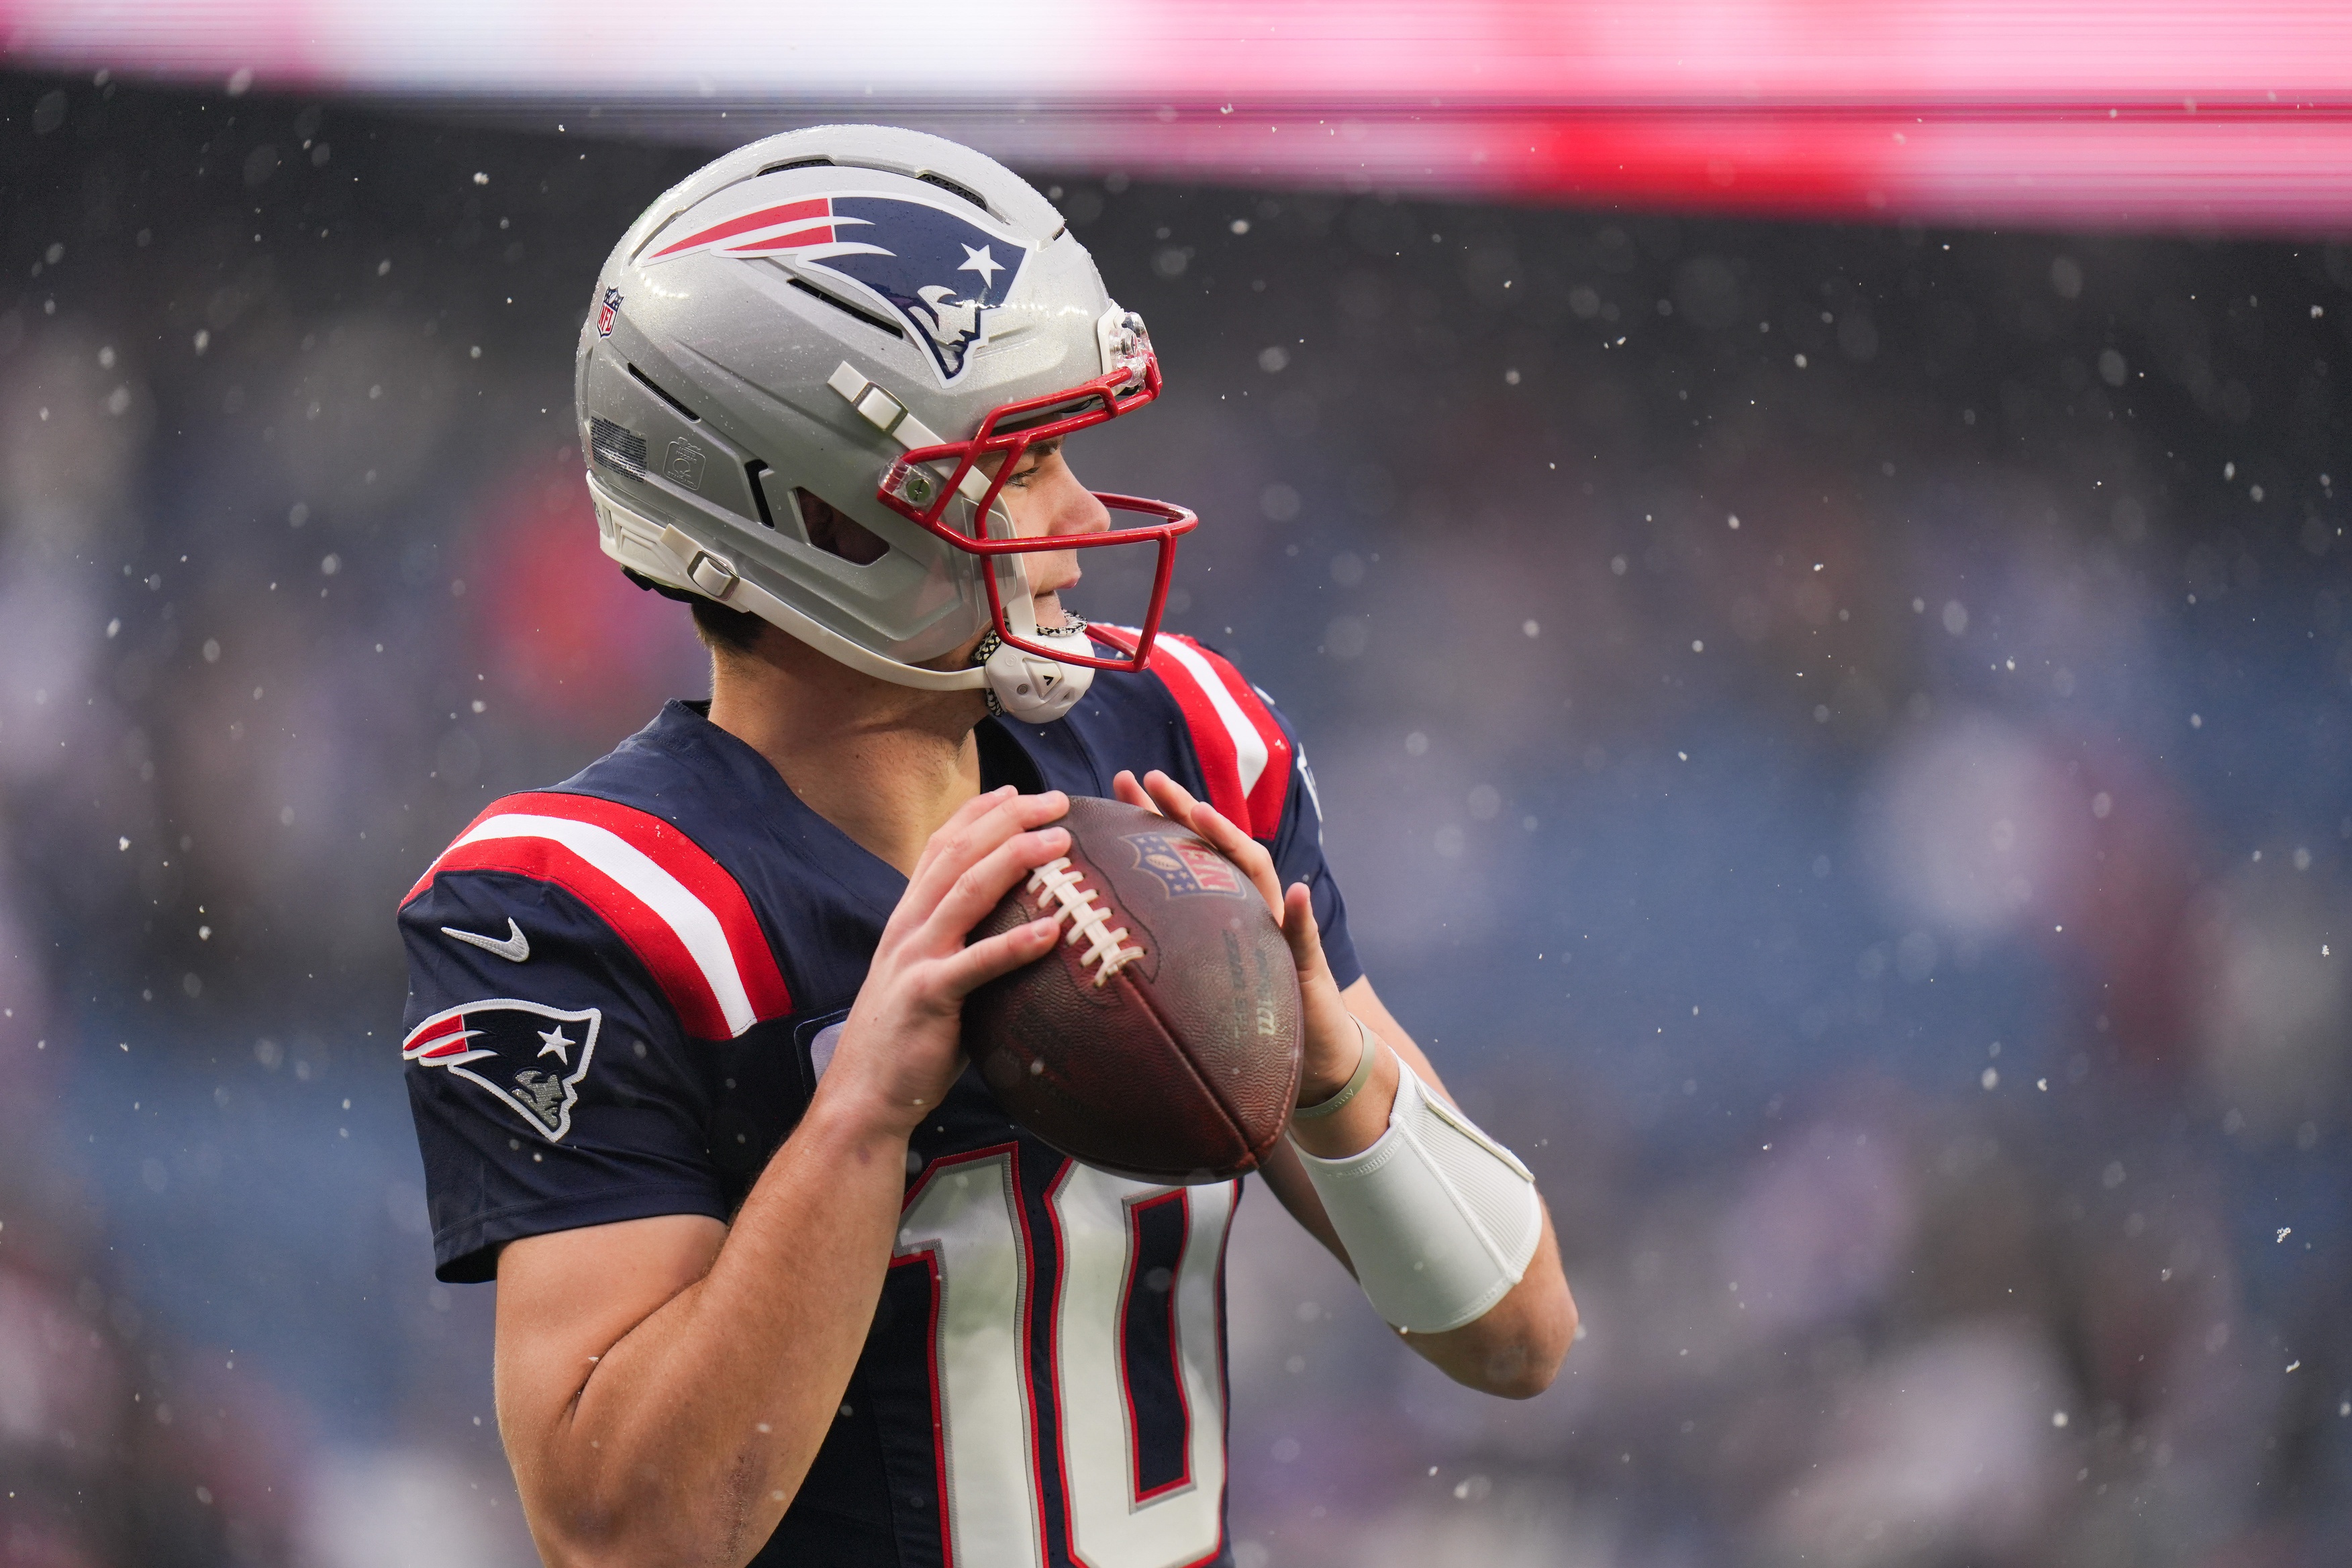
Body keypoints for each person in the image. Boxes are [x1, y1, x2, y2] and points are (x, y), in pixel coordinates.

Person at [397, 125, 1574, 1568]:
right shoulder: (582, 906)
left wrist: (1325, 1070)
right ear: (819, 517)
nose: (1082, 514)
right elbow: (627, 1536)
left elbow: (1519, 1335)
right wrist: (859, 1116)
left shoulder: (1177, 743)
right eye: (1016, 465)